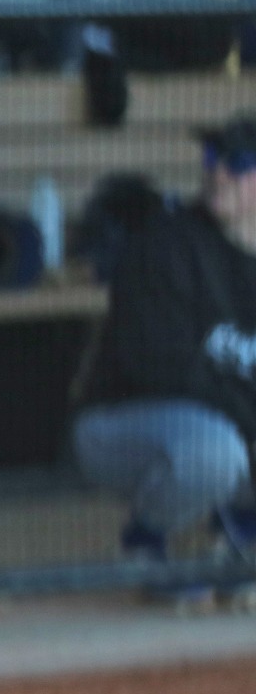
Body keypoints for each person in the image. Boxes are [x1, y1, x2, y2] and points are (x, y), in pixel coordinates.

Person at [73, 114, 256, 579]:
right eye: (212, 158)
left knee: (226, 445)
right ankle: (146, 541)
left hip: (227, 426)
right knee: (216, 452)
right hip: (121, 424)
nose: (216, 172)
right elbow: (158, 366)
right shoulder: (167, 243)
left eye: (237, 162)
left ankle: (240, 541)